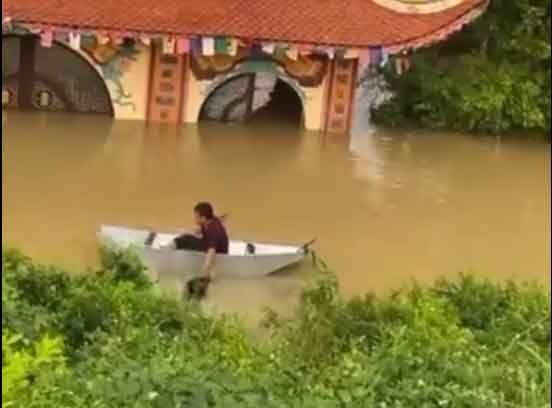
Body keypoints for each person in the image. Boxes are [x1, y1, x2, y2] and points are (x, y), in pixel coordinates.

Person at [171, 202, 229, 281]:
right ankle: (173, 247)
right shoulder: (210, 220)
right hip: (207, 243)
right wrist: (188, 231)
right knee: (186, 237)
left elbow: (212, 251)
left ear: (203, 218)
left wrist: (205, 270)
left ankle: (169, 252)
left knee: (186, 240)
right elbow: (219, 219)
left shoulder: (214, 230)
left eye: (196, 217)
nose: (194, 218)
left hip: (218, 254)